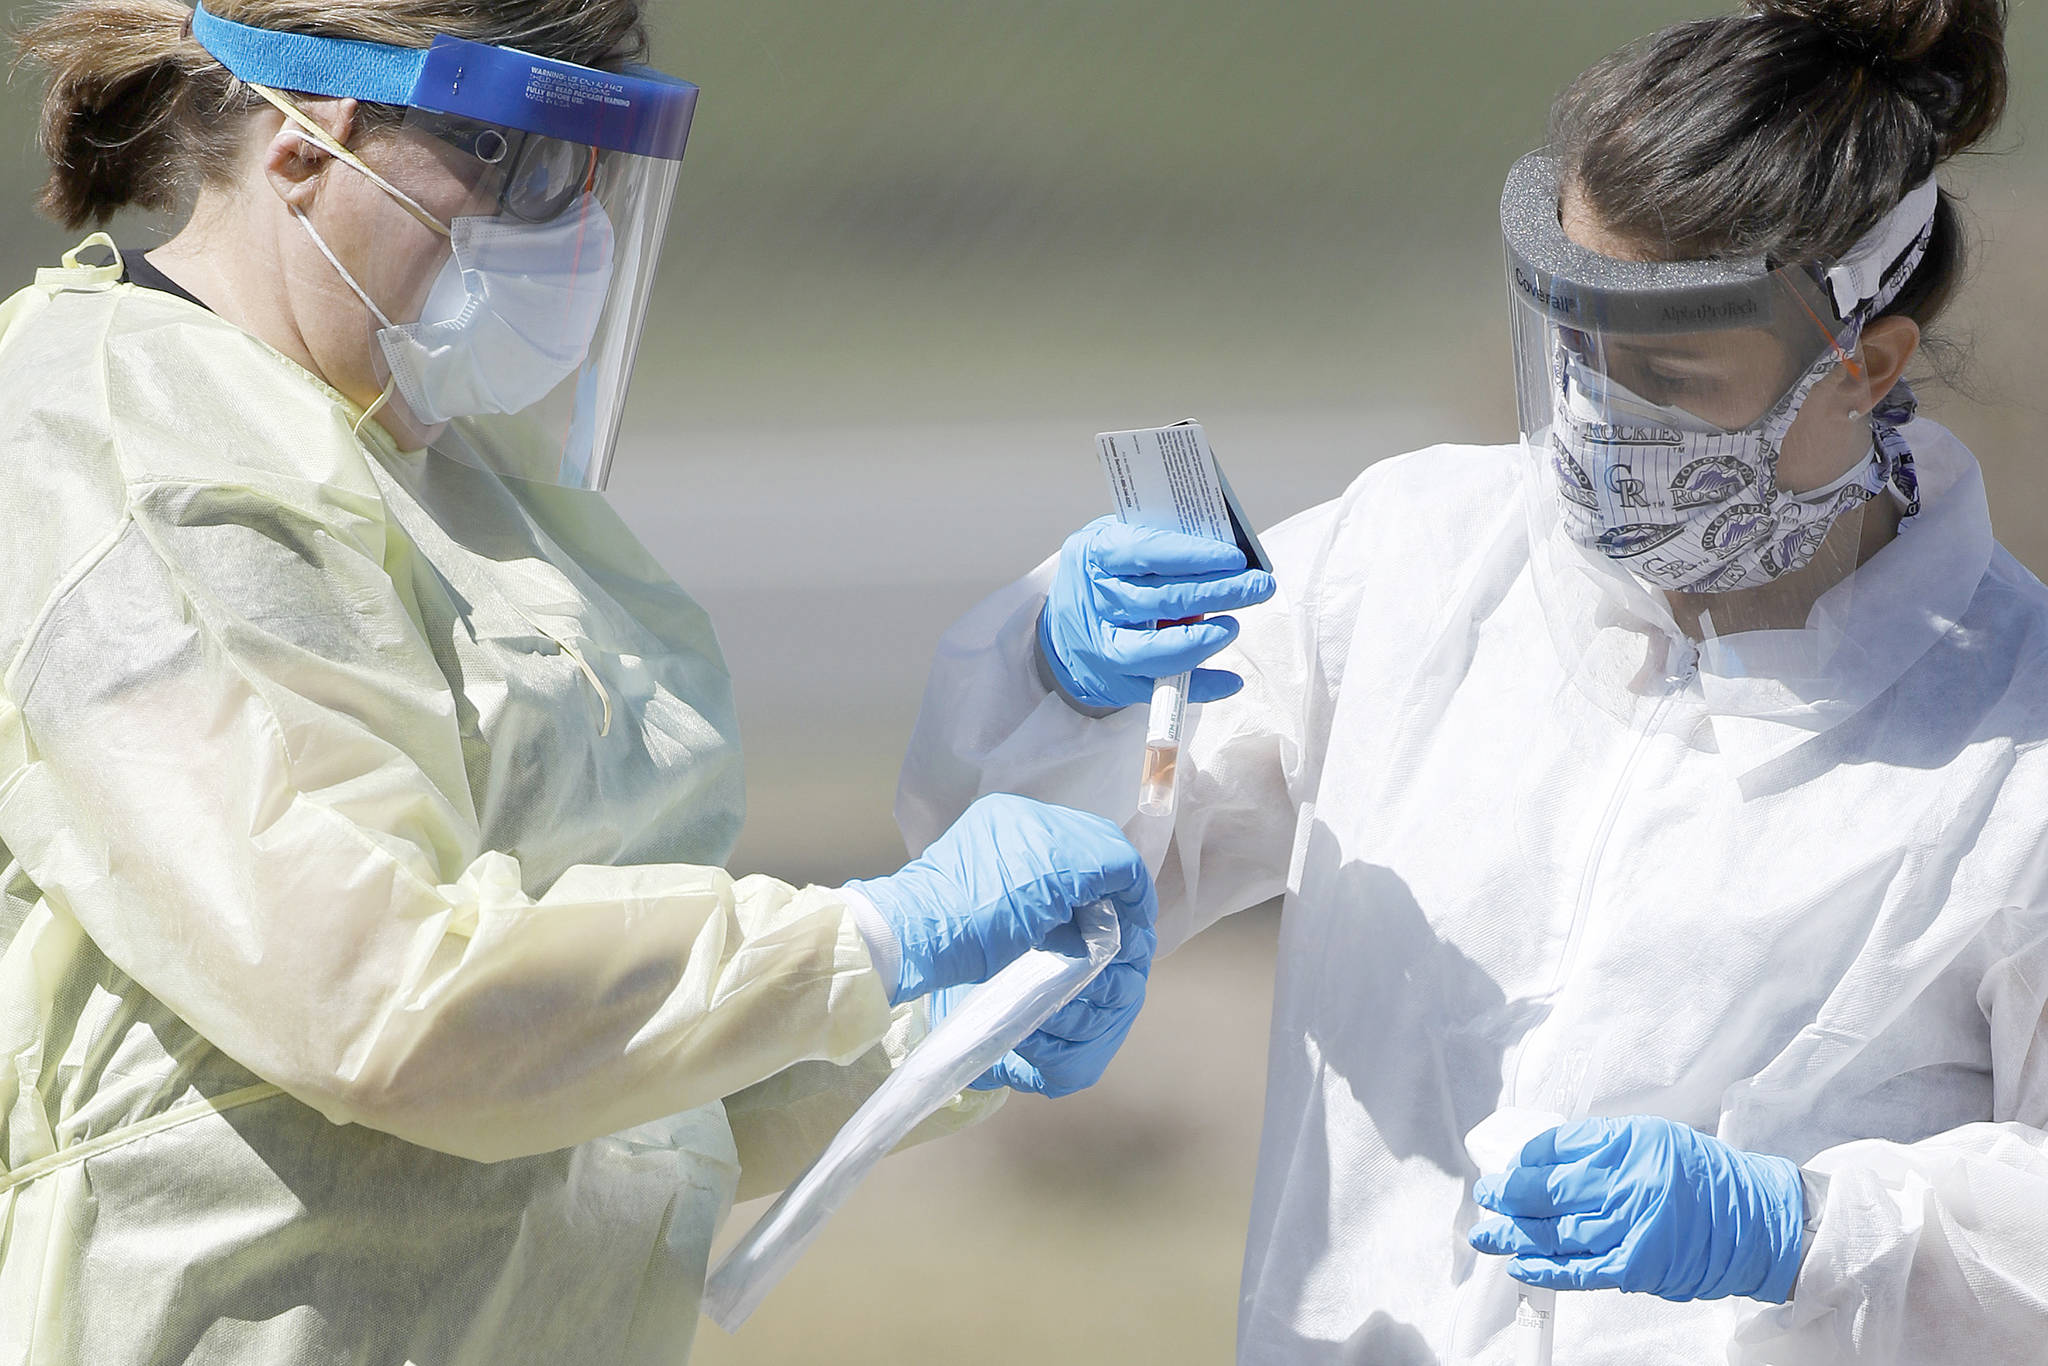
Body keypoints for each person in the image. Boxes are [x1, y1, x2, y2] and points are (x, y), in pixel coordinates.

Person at [0, 2, 1157, 1362]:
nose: (568, 228)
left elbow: (597, 1053)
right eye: (510, 152)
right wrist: (869, 941)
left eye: (589, 169)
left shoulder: (447, 480)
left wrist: (932, 1023)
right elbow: (379, 997)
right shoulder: (136, 447)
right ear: (313, 136)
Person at [897, 0, 2048, 1360]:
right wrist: (1057, 678)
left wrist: (1806, 1225)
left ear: (1865, 365)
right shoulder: (1412, 567)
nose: (1598, 422)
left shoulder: (2008, 751)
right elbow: (1051, 859)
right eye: (1575, 347)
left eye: (1670, 374)